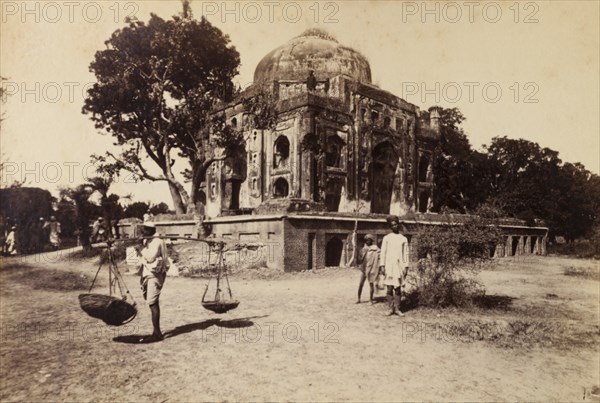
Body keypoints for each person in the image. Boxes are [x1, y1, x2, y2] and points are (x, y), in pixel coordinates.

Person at [137, 222, 170, 342]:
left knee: (152, 302)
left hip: (155, 274)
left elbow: (150, 257)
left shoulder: (157, 241)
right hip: (148, 273)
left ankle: (157, 334)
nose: (142, 233)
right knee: (150, 300)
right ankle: (157, 332)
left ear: (151, 230)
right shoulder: (149, 241)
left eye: (144, 230)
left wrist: (141, 248)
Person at [379, 215, 410, 316]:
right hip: (389, 265)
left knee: (397, 288)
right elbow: (383, 253)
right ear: (390, 227)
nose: (394, 226)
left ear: (398, 225)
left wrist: (406, 266)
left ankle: (397, 308)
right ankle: (390, 308)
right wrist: (382, 266)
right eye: (392, 225)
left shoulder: (403, 239)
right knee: (389, 288)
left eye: (396, 224)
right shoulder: (386, 238)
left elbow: (406, 254)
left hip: (399, 266)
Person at [357, 234, 380, 304]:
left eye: (369, 240)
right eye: (366, 240)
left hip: (370, 269)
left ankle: (370, 300)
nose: (367, 241)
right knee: (361, 284)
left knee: (371, 284)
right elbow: (360, 259)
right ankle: (358, 299)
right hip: (364, 269)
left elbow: (379, 256)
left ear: (371, 241)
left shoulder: (375, 249)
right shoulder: (363, 248)